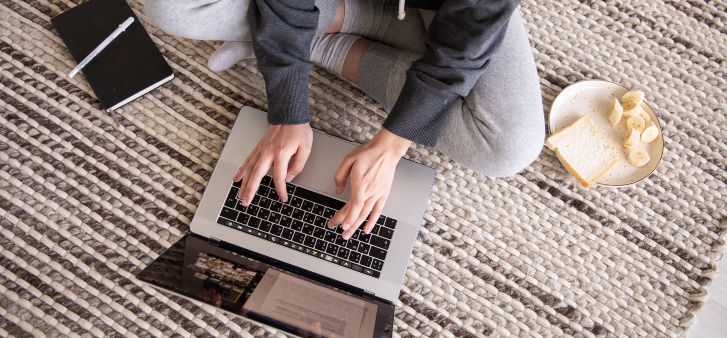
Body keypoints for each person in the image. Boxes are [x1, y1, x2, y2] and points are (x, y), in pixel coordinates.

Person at [145, 0, 544, 240]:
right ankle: (341, 22)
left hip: (448, 8)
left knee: (508, 146)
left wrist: (393, 141)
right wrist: (287, 108)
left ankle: (325, 35)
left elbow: (464, 46)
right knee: (171, 7)